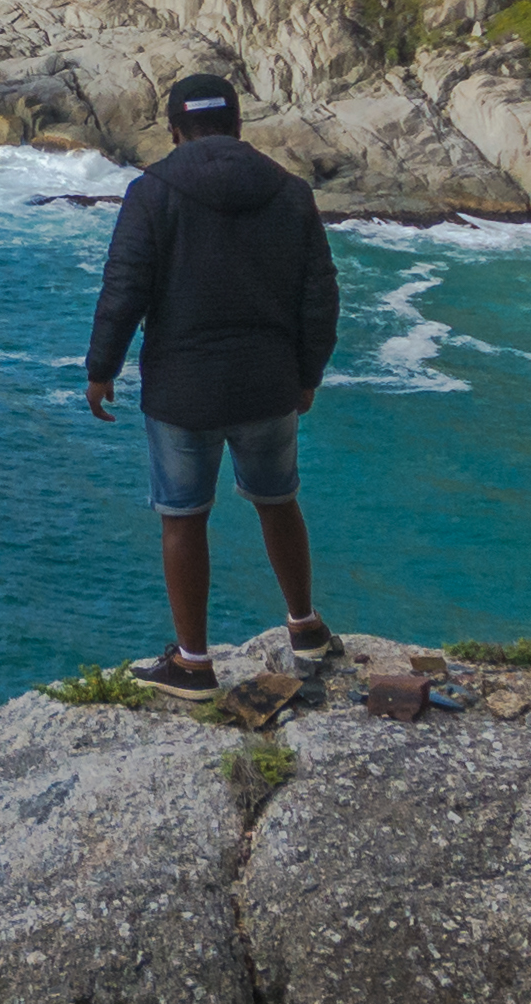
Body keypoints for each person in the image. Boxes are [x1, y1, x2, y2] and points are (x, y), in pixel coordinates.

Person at [82, 74, 345, 692]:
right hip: (270, 382)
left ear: (174, 128)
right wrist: (308, 375)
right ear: (237, 125)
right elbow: (320, 299)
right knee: (278, 501)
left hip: (182, 388)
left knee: (183, 519)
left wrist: (102, 369)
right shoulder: (289, 192)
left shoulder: (151, 193)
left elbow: (124, 290)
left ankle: (194, 664)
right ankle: (305, 629)